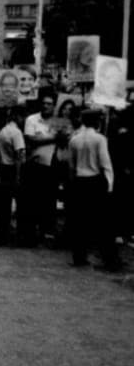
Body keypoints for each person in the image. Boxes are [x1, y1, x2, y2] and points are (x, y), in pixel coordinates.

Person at [67, 109, 122, 269]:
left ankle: (79, 256)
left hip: (79, 181)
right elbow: (106, 164)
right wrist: (109, 185)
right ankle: (109, 259)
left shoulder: (74, 140)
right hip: (95, 182)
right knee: (103, 222)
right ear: (97, 121)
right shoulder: (100, 139)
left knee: (79, 221)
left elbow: (71, 166)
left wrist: (72, 184)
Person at [21, 95, 59, 244]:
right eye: (43, 103)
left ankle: (46, 230)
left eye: (49, 104)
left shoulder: (58, 121)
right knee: (34, 199)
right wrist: (53, 138)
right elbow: (31, 139)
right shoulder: (32, 120)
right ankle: (32, 231)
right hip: (35, 165)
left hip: (52, 165)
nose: (45, 106)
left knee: (48, 200)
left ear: (53, 106)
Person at [0, 109, 26, 244]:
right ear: (17, 117)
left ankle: (1, 235)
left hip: (3, 169)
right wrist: (18, 176)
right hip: (13, 169)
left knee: (3, 205)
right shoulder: (16, 133)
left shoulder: (2, 132)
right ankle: (20, 235)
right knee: (20, 204)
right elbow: (19, 155)